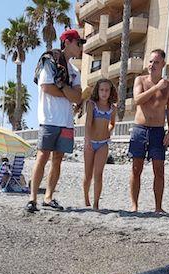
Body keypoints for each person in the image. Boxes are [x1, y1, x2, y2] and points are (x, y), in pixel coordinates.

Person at [26, 29, 84, 213]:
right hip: (49, 119)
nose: (80, 47)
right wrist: (67, 92)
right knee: (42, 157)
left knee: (58, 159)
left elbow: (78, 97)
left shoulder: (74, 71)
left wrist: (63, 87)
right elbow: (46, 87)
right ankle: (32, 198)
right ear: (66, 42)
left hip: (67, 121)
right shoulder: (49, 62)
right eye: (78, 43)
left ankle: (48, 197)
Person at [128, 49, 169, 213]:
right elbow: (138, 100)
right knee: (136, 169)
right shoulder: (140, 80)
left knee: (159, 170)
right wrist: (156, 88)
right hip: (140, 129)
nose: (152, 65)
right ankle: (134, 205)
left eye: (156, 62)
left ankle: (158, 207)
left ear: (163, 64)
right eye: (150, 61)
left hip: (157, 131)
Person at [83, 78, 117, 210]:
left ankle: (96, 202)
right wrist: (87, 140)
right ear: (98, 90)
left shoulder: (112, 108)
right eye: (102, 90)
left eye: (107, 90)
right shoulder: (92, 104)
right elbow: (88, 123)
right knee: (88, 174)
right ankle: (86, 199)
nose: (104, 93)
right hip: (90, 142)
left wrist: (108, 130)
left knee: (99, 173)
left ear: (110, 92)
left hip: (103, 143)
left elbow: (112, 123)